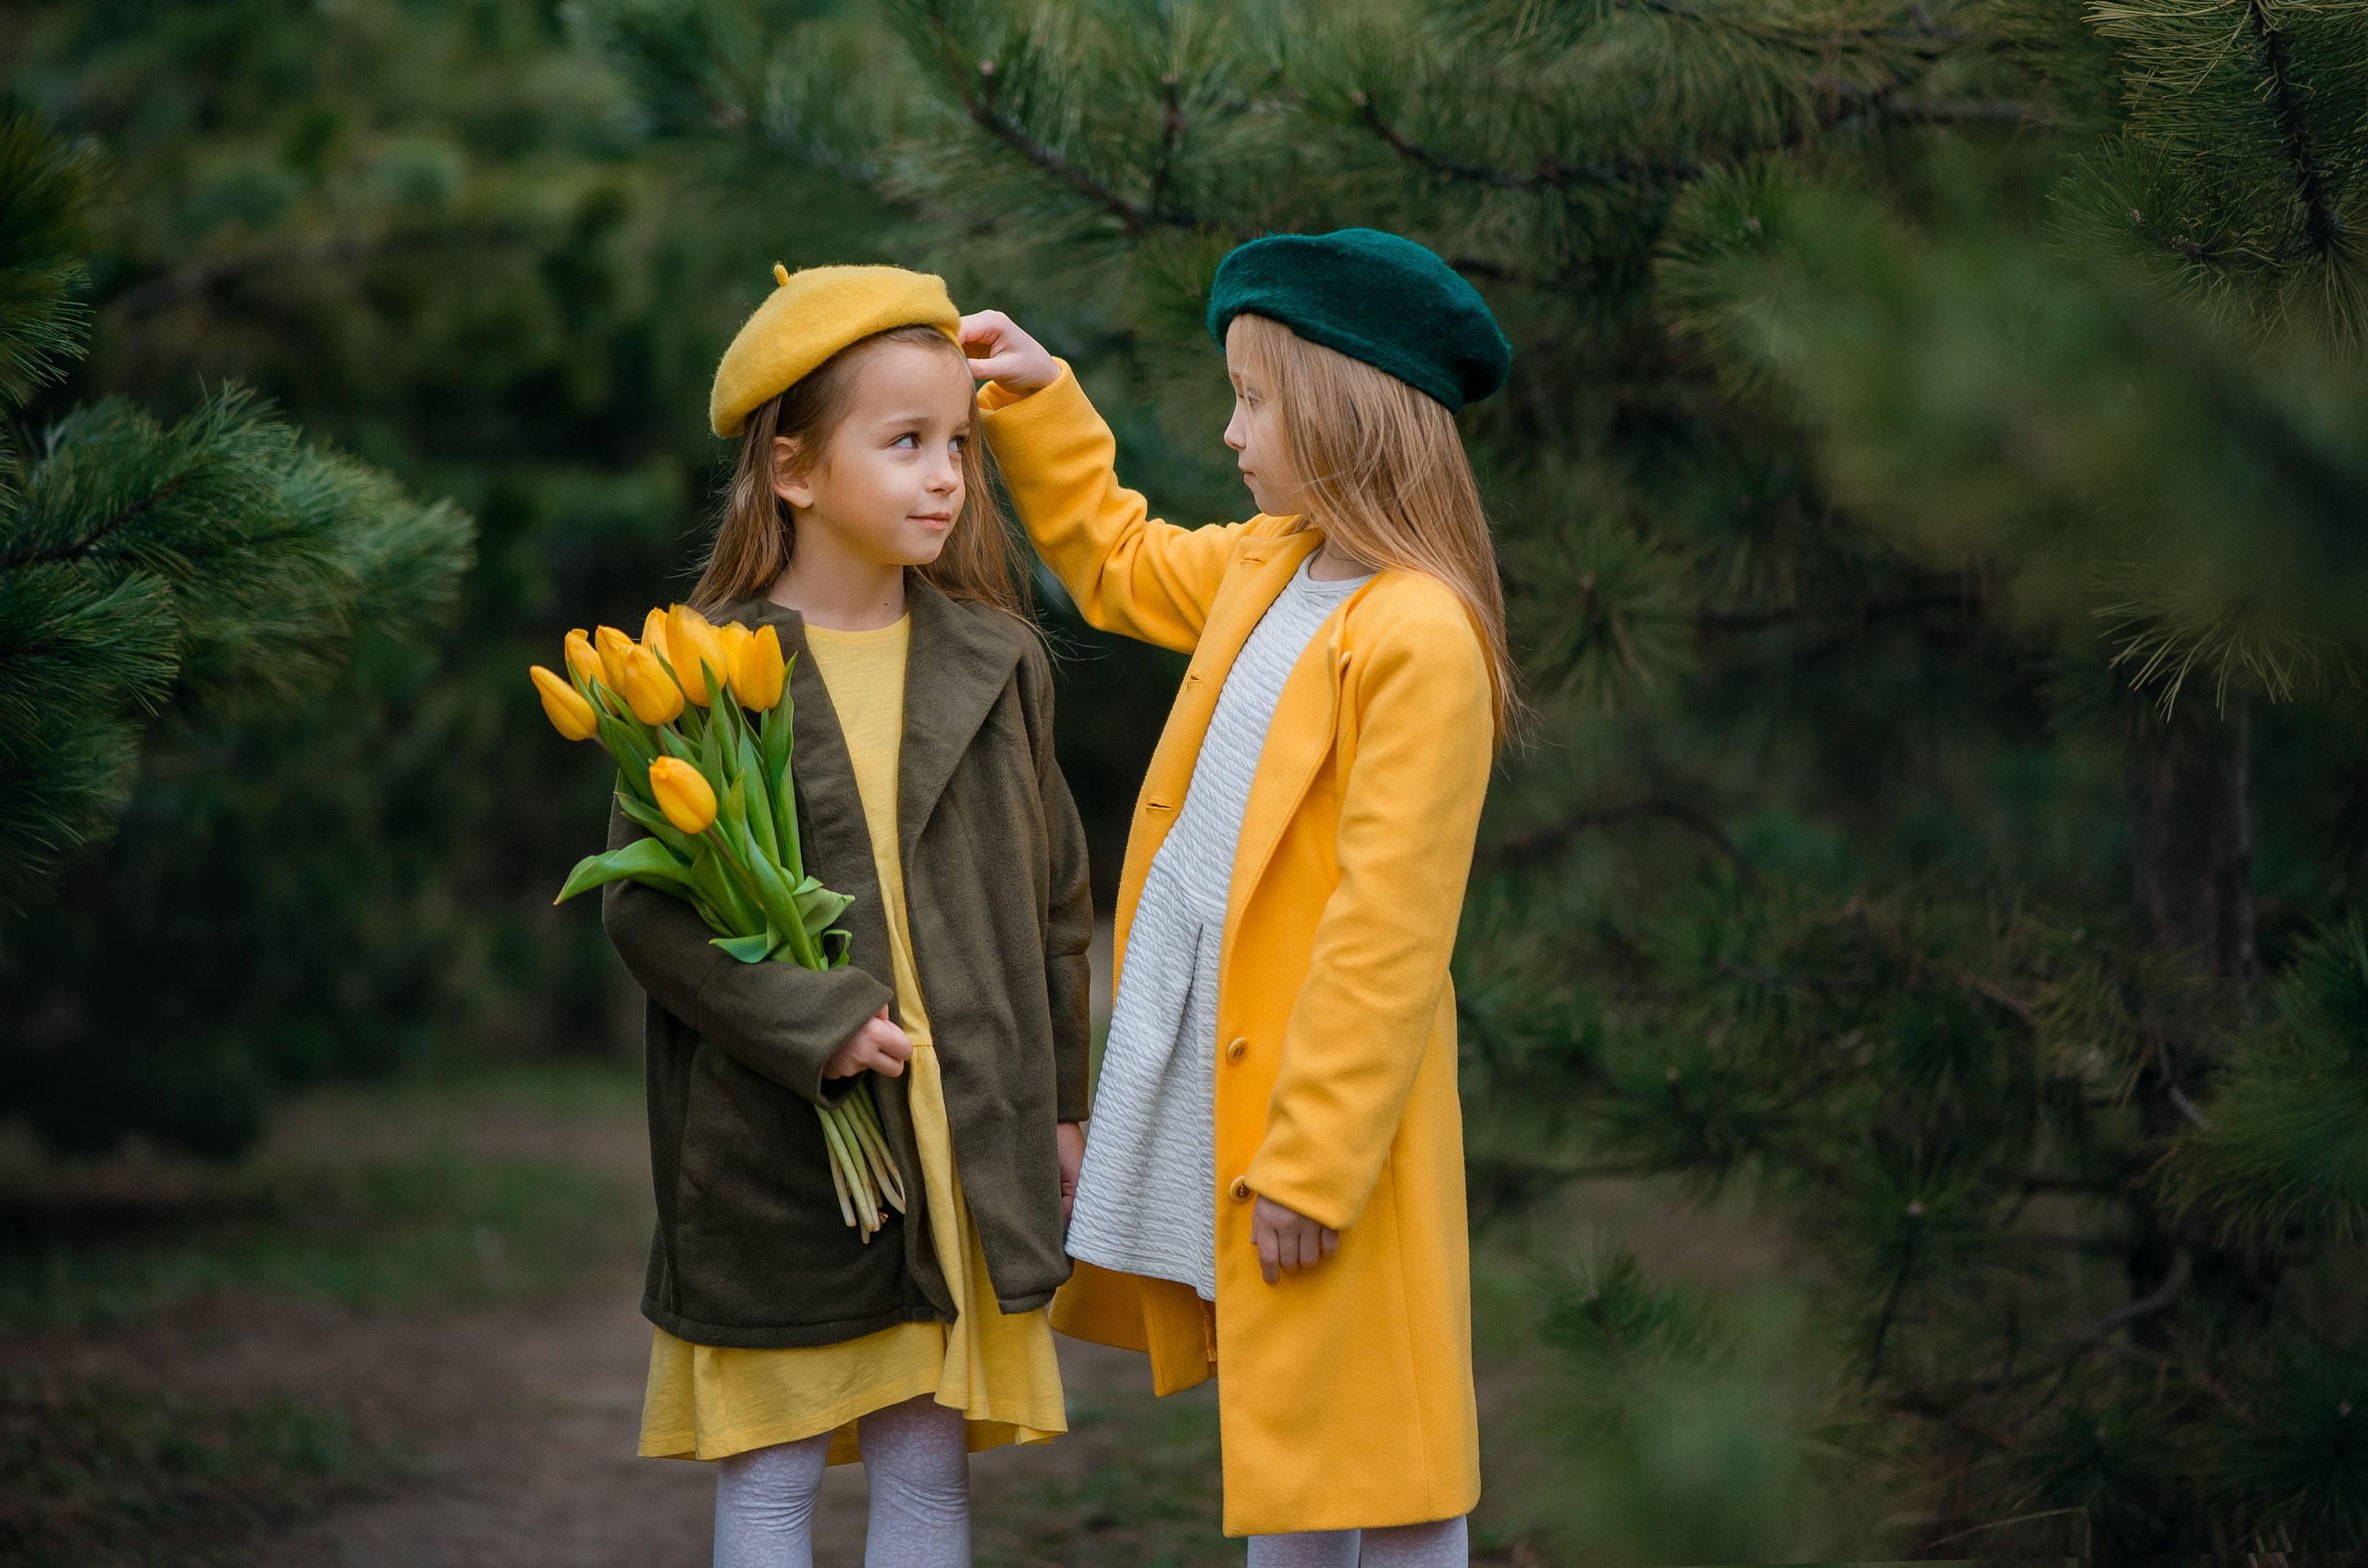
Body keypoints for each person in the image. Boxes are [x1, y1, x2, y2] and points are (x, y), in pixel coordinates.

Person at [961, 228, 1516, 1566]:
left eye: (1256, 401)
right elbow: (1118, 556)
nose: (1231, 432)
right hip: (1241, 1074)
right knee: (1300, 1443)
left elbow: (1390, 935)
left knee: (1383, 1455)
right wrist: (1040, 399)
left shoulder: (1419, 633)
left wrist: (1316, 1164)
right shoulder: (1278, 564)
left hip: (1330, 1121)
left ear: (1345, 410)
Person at [601, 263, 1094, 1568]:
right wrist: (814, 1023)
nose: (947, 478)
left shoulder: (999, 663)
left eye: (959, 447)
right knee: (771, 1480)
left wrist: (1060, 1108)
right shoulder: (698, 679)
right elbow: (650, 920)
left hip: (956, 1134)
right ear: (795, 468)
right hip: (782, 1142)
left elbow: (1055, 903)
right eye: (907, 443)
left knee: (928, 1477)